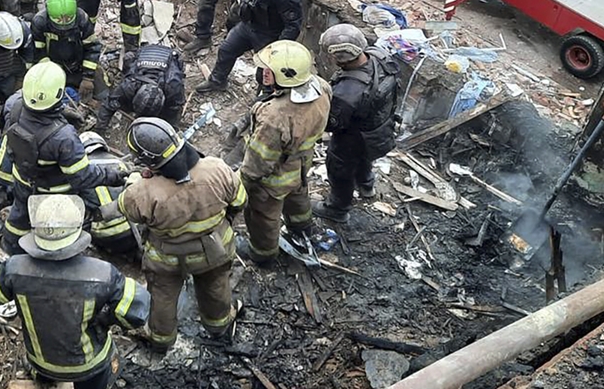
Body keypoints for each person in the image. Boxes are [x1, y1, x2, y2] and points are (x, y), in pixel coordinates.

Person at [0, 194, 150, 389]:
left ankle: (45, 380)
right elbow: (137, 310)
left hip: (41, 362)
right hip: (88, 365)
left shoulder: (15, 269)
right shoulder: (102, 274)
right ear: (77, 231)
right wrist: (105, 320)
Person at [119, 117, 245, 350]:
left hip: (167, 261)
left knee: (164, 296)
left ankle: (161, 340)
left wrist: (137, 180)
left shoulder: (142, 192)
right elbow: (239, 201)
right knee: (216, 286)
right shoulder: (217, 168)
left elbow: (127, 210)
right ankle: (218, 326)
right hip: (215, 250)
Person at [0, 63, 125, 253]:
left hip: (21, 178)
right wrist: (112, 176)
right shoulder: (64, 137)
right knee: (58, 229)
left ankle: (10, 249)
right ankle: (56, 257)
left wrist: (60, 113)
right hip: (55, 193)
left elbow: (7, 129)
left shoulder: (13, 104)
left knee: (19, 215)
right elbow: (82, 176)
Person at [236, 40, 330, 265]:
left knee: (263, 216)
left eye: (269, 70)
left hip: (274, 179)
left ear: (284, 75)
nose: (264, 73)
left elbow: (259, 161)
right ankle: (301, 225)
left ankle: (263, 254)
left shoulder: (275, 116)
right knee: (298, 195)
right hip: (302, 164)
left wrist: (242, 185)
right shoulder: (321, 87)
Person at [312, 24, 400, 224]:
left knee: (340, 168)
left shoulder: (348, 92)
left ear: (339, 56)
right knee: (364, 158)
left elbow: (331, 124)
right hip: (380, 129)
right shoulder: (380, 57)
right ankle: (366, 185)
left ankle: (337, 208)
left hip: (354, 138)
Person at [196, 0, 304, 92]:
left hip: (269, 36)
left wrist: (278, 52)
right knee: (226, 49)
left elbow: (292, 26)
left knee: (265, 74)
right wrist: (233, 20)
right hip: (249, 24)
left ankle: (263, 100)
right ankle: (217, 81)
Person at [31, 0, 105, 98]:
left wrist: (88, 78)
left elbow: (92, 47)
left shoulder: (82, 18)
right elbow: (38, 52)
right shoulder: (40, 22)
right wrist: (51, 72)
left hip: (78, 65)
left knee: (102, 92)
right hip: (54, 66)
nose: (64, 29)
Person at [95, 43, 185, 129]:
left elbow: (176, 109)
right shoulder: (129, 85)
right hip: (145, 52)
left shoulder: (173, 87)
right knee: (128, 57)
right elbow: (109, 104)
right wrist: (100, 129)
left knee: (171, 109)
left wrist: (170, 129)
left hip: (168, 55)